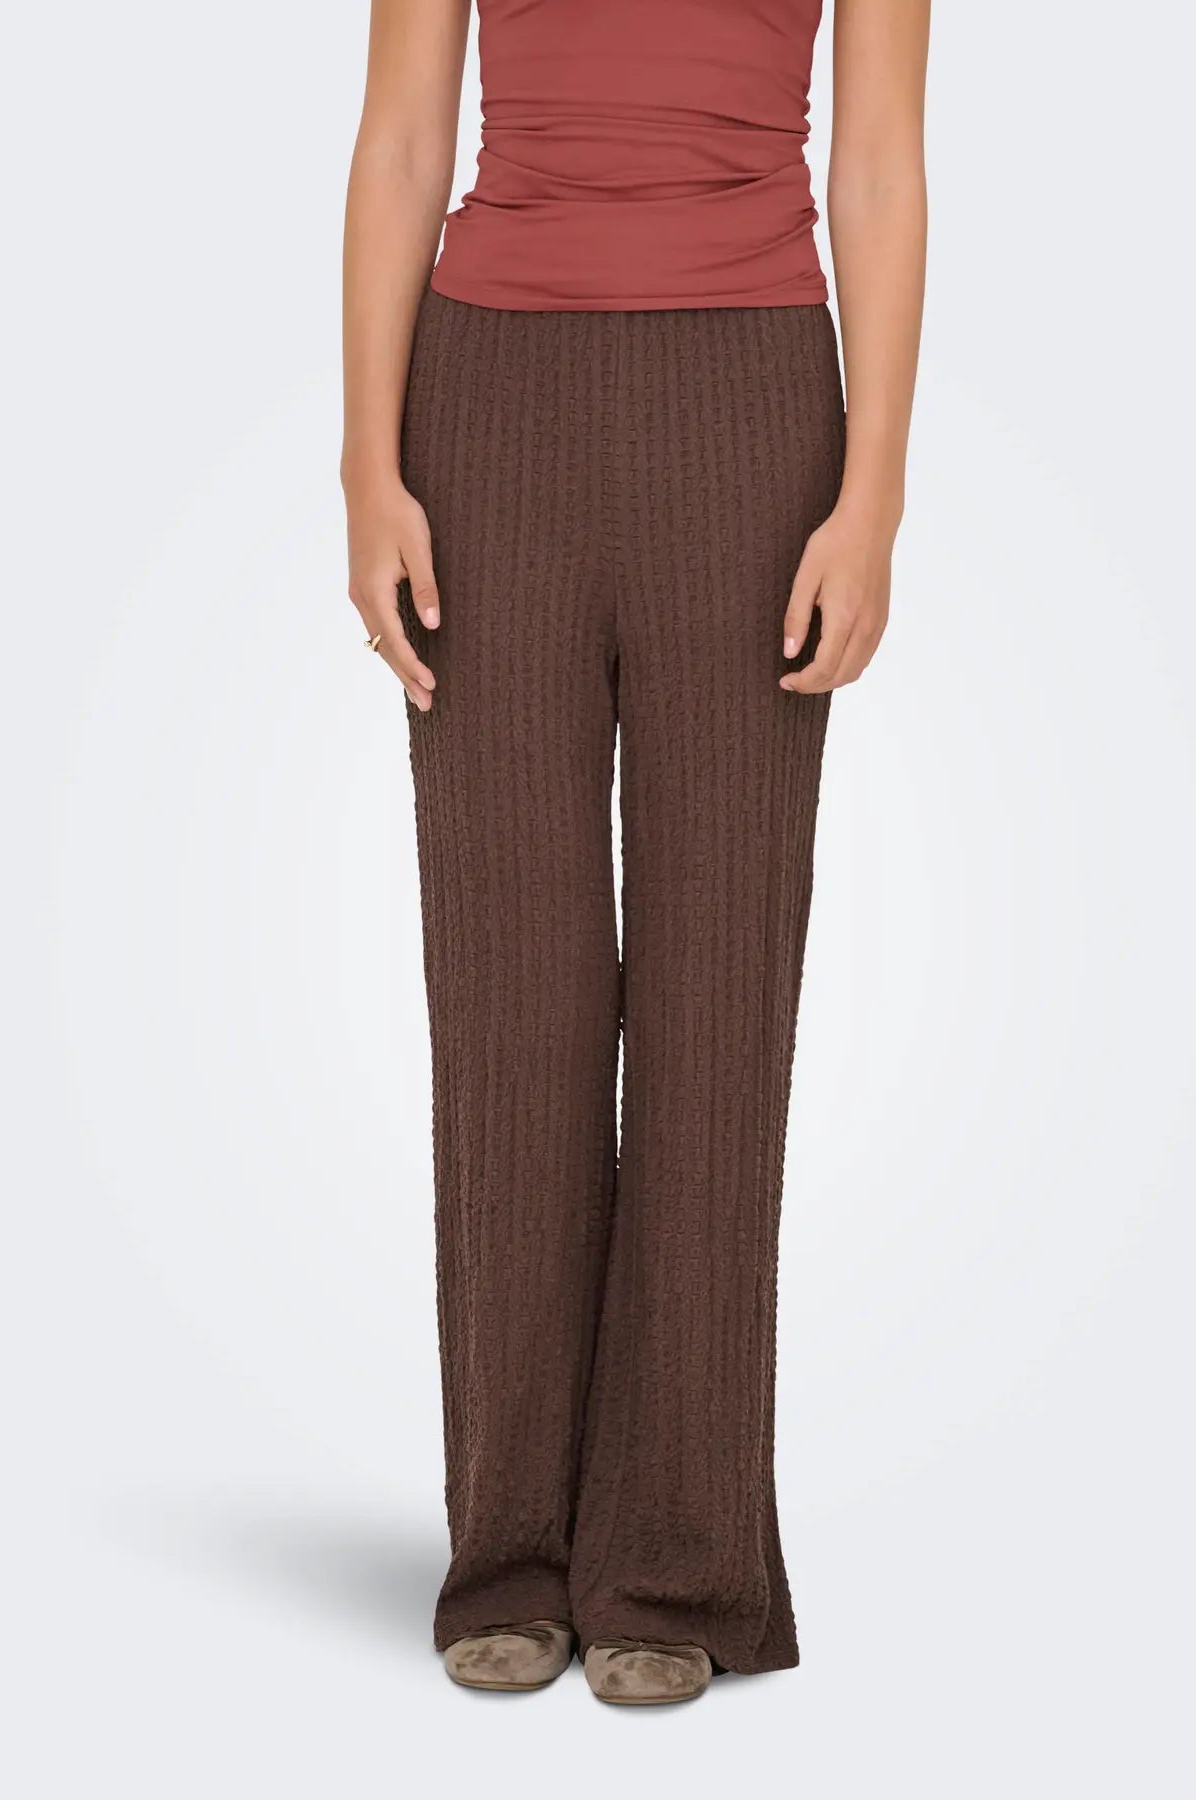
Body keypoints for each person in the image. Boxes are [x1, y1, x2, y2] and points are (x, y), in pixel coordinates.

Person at [341, 0, 930, 1705]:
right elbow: (402, 137)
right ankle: (511, 1551)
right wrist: (368, 466)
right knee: (512, 999)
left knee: (715, 998)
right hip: (487, 413)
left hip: (752, 405)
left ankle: (676, 1559)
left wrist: (872, 495)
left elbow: (877, 162)